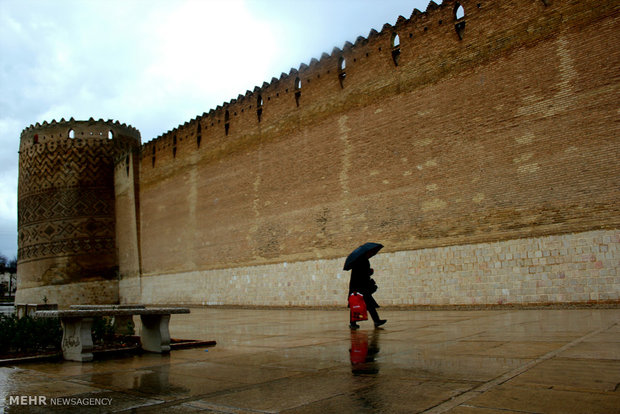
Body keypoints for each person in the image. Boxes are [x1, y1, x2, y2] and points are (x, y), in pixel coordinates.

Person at [348, 253, 387, 329]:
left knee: (357, 305)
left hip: (357, 288)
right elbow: (364, 274)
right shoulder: (363, 261)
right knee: (363, 305)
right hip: (361, 288)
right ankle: (376, 321)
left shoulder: (356, 262)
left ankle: (354, 323)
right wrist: (370, 271)